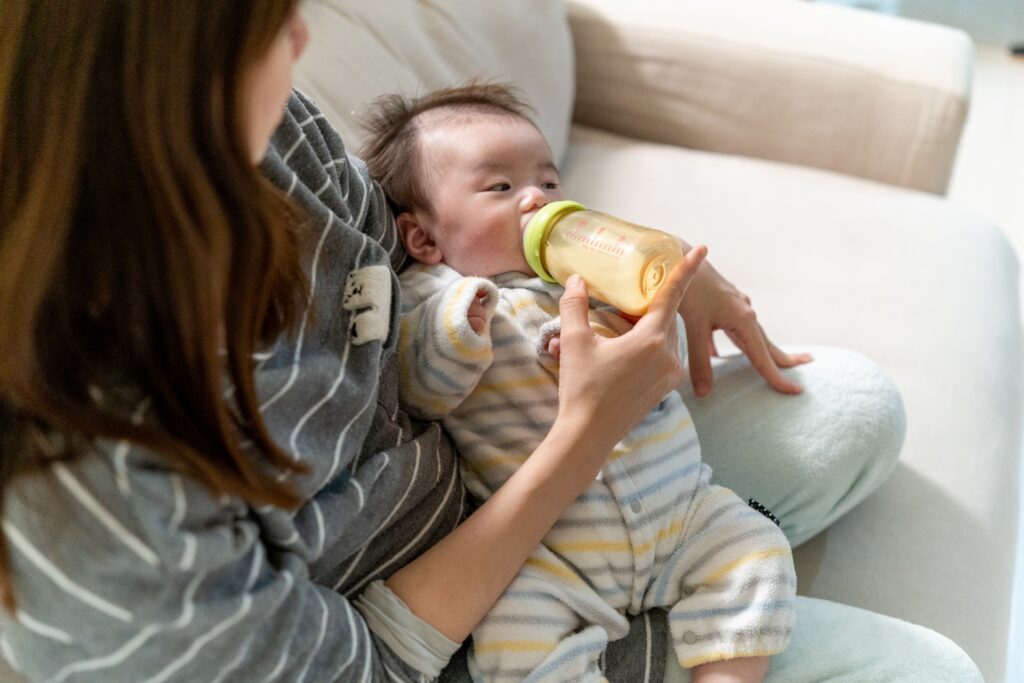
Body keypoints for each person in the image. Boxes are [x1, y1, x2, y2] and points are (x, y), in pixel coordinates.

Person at [0, 2, 983, 682]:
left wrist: (635, 270)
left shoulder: (270, 141)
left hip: (477, 455)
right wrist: (579, 445)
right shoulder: (93, 485)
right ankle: (636, 587)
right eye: (259, 26)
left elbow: (406, 259)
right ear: (142, 85)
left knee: (851, 403)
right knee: (929, 669)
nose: (302, 37)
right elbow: (373, 662)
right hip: (443, 625)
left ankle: (655, 556)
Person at [362, 83, 795, 683]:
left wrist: (634, 328)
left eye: (549, 180)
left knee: (755, 548)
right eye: (501, 187)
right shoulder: (436, 297)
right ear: (425, 239)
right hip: (553, 552)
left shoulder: (589, 282)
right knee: (514, 642)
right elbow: (419, 388)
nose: (536, 198)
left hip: (679, 512)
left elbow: (654, 375)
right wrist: (464, 325)